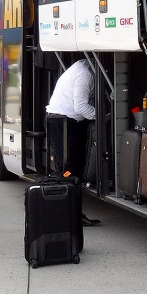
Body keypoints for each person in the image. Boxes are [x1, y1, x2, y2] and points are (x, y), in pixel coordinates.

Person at [44, 57, 100, 227]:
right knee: (68, 169)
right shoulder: (84, 74)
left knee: (69, 168)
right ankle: (70, 215)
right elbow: (81, 107)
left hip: (65, 121)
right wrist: (102, 117)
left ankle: (70, 213)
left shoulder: (82, 66)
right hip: (63, 123)